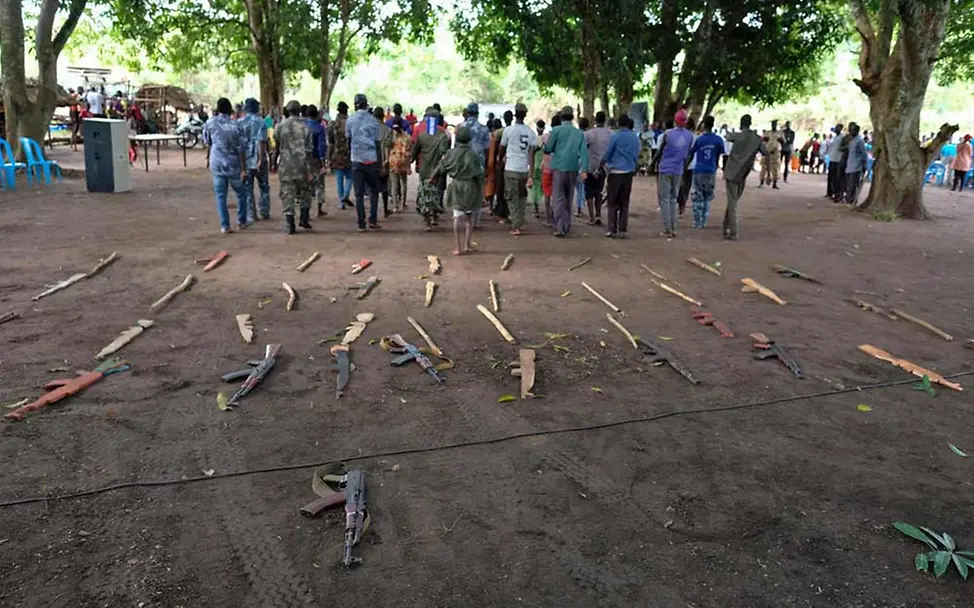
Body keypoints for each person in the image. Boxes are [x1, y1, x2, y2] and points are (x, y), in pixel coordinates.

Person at [431, 125, 484, 255]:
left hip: (457, 185)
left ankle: (458, 247)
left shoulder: (451, 153)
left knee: (457, 216)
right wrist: (480, 191)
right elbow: (479, 174)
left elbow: (441, 166)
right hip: (471, 186)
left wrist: (433, 177)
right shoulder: (473, 155)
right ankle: (468, 244)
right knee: (469, 217)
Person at [202, 97, 249, 235]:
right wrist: (243, 168)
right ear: (230, 110)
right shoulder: (237, 126)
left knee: (221, 195)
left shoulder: (209, 123)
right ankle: (242, 221)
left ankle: (225, 225)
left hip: (217, 163)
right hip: (234, 164)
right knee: (241, 193)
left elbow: (207, 142)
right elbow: (242, 148)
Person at [544, 106, 588, 238]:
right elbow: (584, 153)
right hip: (573, 168)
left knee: (558, 199)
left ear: (562, 117)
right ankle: (567, 225)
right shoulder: (579, 133)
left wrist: (547, 148)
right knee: (569, 198)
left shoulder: (556, 130)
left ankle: (559, 227)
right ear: (572, 117)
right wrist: (584, 170)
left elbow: (549, 148)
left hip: (558, 168)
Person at [722, 114, 765, 241]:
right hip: (743, 173)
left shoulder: (738, 136)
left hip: (731, 172)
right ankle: (725, 227)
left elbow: (728, 136)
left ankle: (733, 232)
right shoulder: (756, 139)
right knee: (733, 201)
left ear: (741, 123)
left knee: (732, 202)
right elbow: (765, 152)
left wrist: (725, 128)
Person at [345, 93, 384, 231]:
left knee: (359, 194)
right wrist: (380, 163)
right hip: (371, 159)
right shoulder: (373, 121)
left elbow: (348, 140)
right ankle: (372, 220)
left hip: (356, 160)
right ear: (366, 104)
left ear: (355, 105)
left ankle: (361, 223)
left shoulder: (350, 120)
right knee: (374, 192)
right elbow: (378, 143)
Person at [275, 100, 315, 234]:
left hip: (286, 165)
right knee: (306, 191)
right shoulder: (305, 128)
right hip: (302, 165)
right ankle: (304, 218)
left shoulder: (280, 127)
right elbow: (309, 151)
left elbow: (277, 147)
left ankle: (290, 224)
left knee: (287, 193)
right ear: (299, 111)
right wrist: (310, 170)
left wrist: (274, 163)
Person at [652, 109, 693, 238]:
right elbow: (688, 155)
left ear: (675, 120)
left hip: (665, 168)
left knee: (664, 198)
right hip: (678, 169)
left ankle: (667, 228)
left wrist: (652, 164)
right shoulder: (690, 136)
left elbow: (659, 152)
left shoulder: (668, 134)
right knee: (673, 199)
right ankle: (673, 227)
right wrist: (684, 168)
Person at [499, 103, 537, 236]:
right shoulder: (531, 132)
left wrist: (500, 159)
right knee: (521, 197)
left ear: (515, 115)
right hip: (523, 169)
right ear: (525, 115)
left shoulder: (508, 131)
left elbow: (502, 148)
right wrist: (531, 175)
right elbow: (531, 155)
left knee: (511, 197)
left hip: (510, 168)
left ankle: (516, 226)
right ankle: (519, 221)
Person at [600, 115, 640, 238]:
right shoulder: (634, 137)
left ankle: (612, 229)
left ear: (618, 123)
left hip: (615, 172)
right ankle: (623, 229)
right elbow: (636, 154)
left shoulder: (615, 136)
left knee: (612, 202)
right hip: (628, 172)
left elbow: (608, 153)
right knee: (624, 202)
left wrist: (601, 164)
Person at [411, 107, 450, 230]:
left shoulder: (421, 135)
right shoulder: (442, 135)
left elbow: (414, 152)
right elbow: (445, 154)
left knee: (424, 194)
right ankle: (434, 216)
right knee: (436, 193)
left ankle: (427, 220)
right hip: (437, 170)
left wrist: (410, 161)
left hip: (424, 169)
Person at [687, 115, 725, 229]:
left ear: (704, 125)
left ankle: (697, 222)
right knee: (707, 196)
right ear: (713, 125)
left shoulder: (699, 139)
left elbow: (691, 153)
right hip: (711, 169)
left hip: (699, 170)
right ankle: (704, 221)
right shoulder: (718, 140)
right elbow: (720, 154)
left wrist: (685, 165)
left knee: (697, 196)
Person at [239, 98, 271, 222]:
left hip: (245, 160)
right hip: (259, 159)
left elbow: (239, 145)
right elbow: (262, 141)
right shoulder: (261, 122)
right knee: (264, 187)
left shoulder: (240, 123)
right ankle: (264, 211)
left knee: (248, 188)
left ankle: (251, 214)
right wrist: (261, 159)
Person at [463, 103, 492, 227]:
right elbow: (487, 149)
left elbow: (457, 148)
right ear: (478, 113)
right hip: (479, 162)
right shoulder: (484, 129)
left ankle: (466, 218)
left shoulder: (461, 127)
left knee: (466, 191)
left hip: (464, 163)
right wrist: (485, 165)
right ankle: (476, 221)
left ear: (467, 113)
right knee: (479, 191)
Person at [584, 111, 612, 225]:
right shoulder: (611, 133)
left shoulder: (589, 133)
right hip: (603, 167)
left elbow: (584, 147)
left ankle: (591, 217)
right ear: (605, 120)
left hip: (591, 166)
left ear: (595, 120)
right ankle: (598, 215)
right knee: (598, 191)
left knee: (589, 192)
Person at [302, 104, 328, 219]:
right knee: (319, 185)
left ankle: (305, 212)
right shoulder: (319, 128)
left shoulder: (301, 127)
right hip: (315, 159)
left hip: (303, 159)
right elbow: (321, 147)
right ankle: (319, 209)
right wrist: (323, 163)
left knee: (306, 186)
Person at [328, 101, 352, 209]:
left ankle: (341, 202)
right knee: (350, 176)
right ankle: (346, 195)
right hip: (349, 153)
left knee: (339, 178)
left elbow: (331, 142)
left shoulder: (333, 124)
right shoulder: (350, 122)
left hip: (337, 154)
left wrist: (329, 157)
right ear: (346, 110)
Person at [385, 120, 412, 212]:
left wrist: (386, 160)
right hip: (403, 162)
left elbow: (387, 147)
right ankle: (403, 203)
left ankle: (395, 206)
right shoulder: (407, 137)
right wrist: (408, 167)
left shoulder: (391, 137)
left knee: (394, 185)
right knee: (403, 183)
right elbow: (408, 154)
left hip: (393, 162)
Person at [541, 114, 561, 225]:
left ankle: (549, 219)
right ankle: (556, 218)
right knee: (557, 194)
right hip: (558, 167)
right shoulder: (562, 137)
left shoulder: (545, 137)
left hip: (547, 168)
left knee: (547, 193)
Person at [676, 116, 697, 219]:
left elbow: (689, 152)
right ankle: (681, 209)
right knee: (685, 187)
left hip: (684, 164)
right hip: (690, 166)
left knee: (681, 187)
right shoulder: (694, 136)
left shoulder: (684, 136)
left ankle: (680, 208)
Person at [844, 123, 868, 204]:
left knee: (853, 185)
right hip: (849, 166)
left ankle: (852, 200)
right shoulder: (852, 140)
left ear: (857, 131)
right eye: (850, 130)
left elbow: (864, 154)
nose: (850, 131)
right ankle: (848, 199)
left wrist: (864, 166)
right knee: (848, 185)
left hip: (856, 167)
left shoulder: (859, 141)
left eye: (852, 130)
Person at [759, 120, 782, 189]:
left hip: (776, 153)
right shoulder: (767, 133)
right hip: (767, 151)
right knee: (764, 166)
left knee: (775, 167)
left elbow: (784, 141)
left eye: (775, 124)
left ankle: (775, 183)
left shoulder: (780, 133)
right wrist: (765, 140)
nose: (773, 125)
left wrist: (780, 140)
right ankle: (761, 182)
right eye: (772, 124)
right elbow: (763, 140)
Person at [530, 120, 546, 218]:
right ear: (544, 128)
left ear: (536, 128)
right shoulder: (547, 139)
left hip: (535, 165)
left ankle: (536, 210)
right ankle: (548, 208)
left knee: (535, 187)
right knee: (544, 187)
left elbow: (530, 153)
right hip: (544, 166)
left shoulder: (534, 139)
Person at [826, 123, 844, 199]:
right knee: (830, 177)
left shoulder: (842, 137)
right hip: (832, 159)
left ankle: (837, 194)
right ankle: (829, 192)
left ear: (840, 129)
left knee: (836, 178)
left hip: (838, 159)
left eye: (837, 128)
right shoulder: (834, 137)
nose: (836, 129)